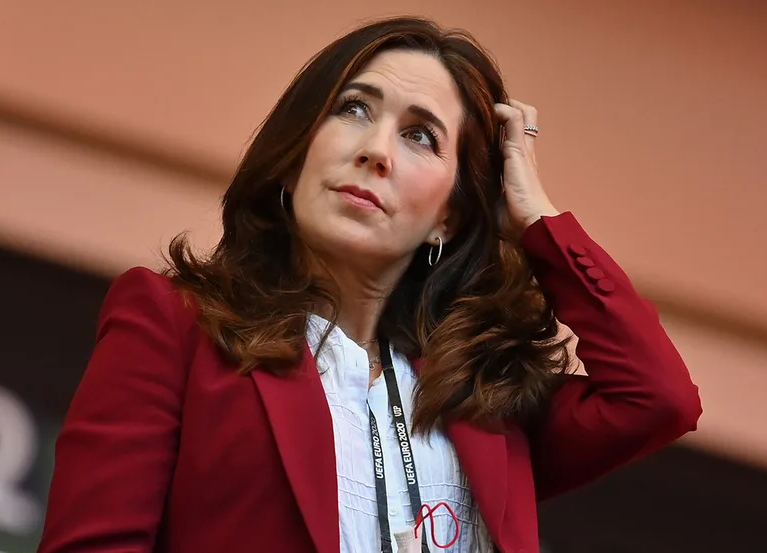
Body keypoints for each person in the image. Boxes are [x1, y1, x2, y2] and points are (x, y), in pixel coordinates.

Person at [36, 16, 701, 553]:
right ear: (295, 156)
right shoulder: (174, 325)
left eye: (420, 135)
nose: (377, 149)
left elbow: (658, 398)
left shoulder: (485, 403)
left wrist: (535, 220)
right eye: (354, 108)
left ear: (450, 215)